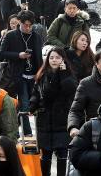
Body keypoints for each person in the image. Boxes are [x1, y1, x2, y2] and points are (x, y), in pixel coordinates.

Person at [27, 47, 78, 175]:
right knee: (46, 153)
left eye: (58, 57)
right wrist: (32, 106)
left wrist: (62, 74)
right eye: (51, 57)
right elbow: (36, 93)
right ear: (47, 59)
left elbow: (71, 91)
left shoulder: (68, 75)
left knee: (62, 152)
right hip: (45, 119)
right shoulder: (42, 75)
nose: (54, 60)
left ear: (63, 59)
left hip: (62, 119)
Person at [0, 10, 42, 136]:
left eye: (30, 25)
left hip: (34, 75)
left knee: (32, 103)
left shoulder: (36, 36)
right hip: (19, 75)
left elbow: (38, 56)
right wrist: (18, 55)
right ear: (19, 22)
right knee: (24, 104)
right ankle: (28, 133)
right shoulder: (11, 35)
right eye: (25, 25)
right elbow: (2, 53)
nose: (28, 28)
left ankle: (17, 122)